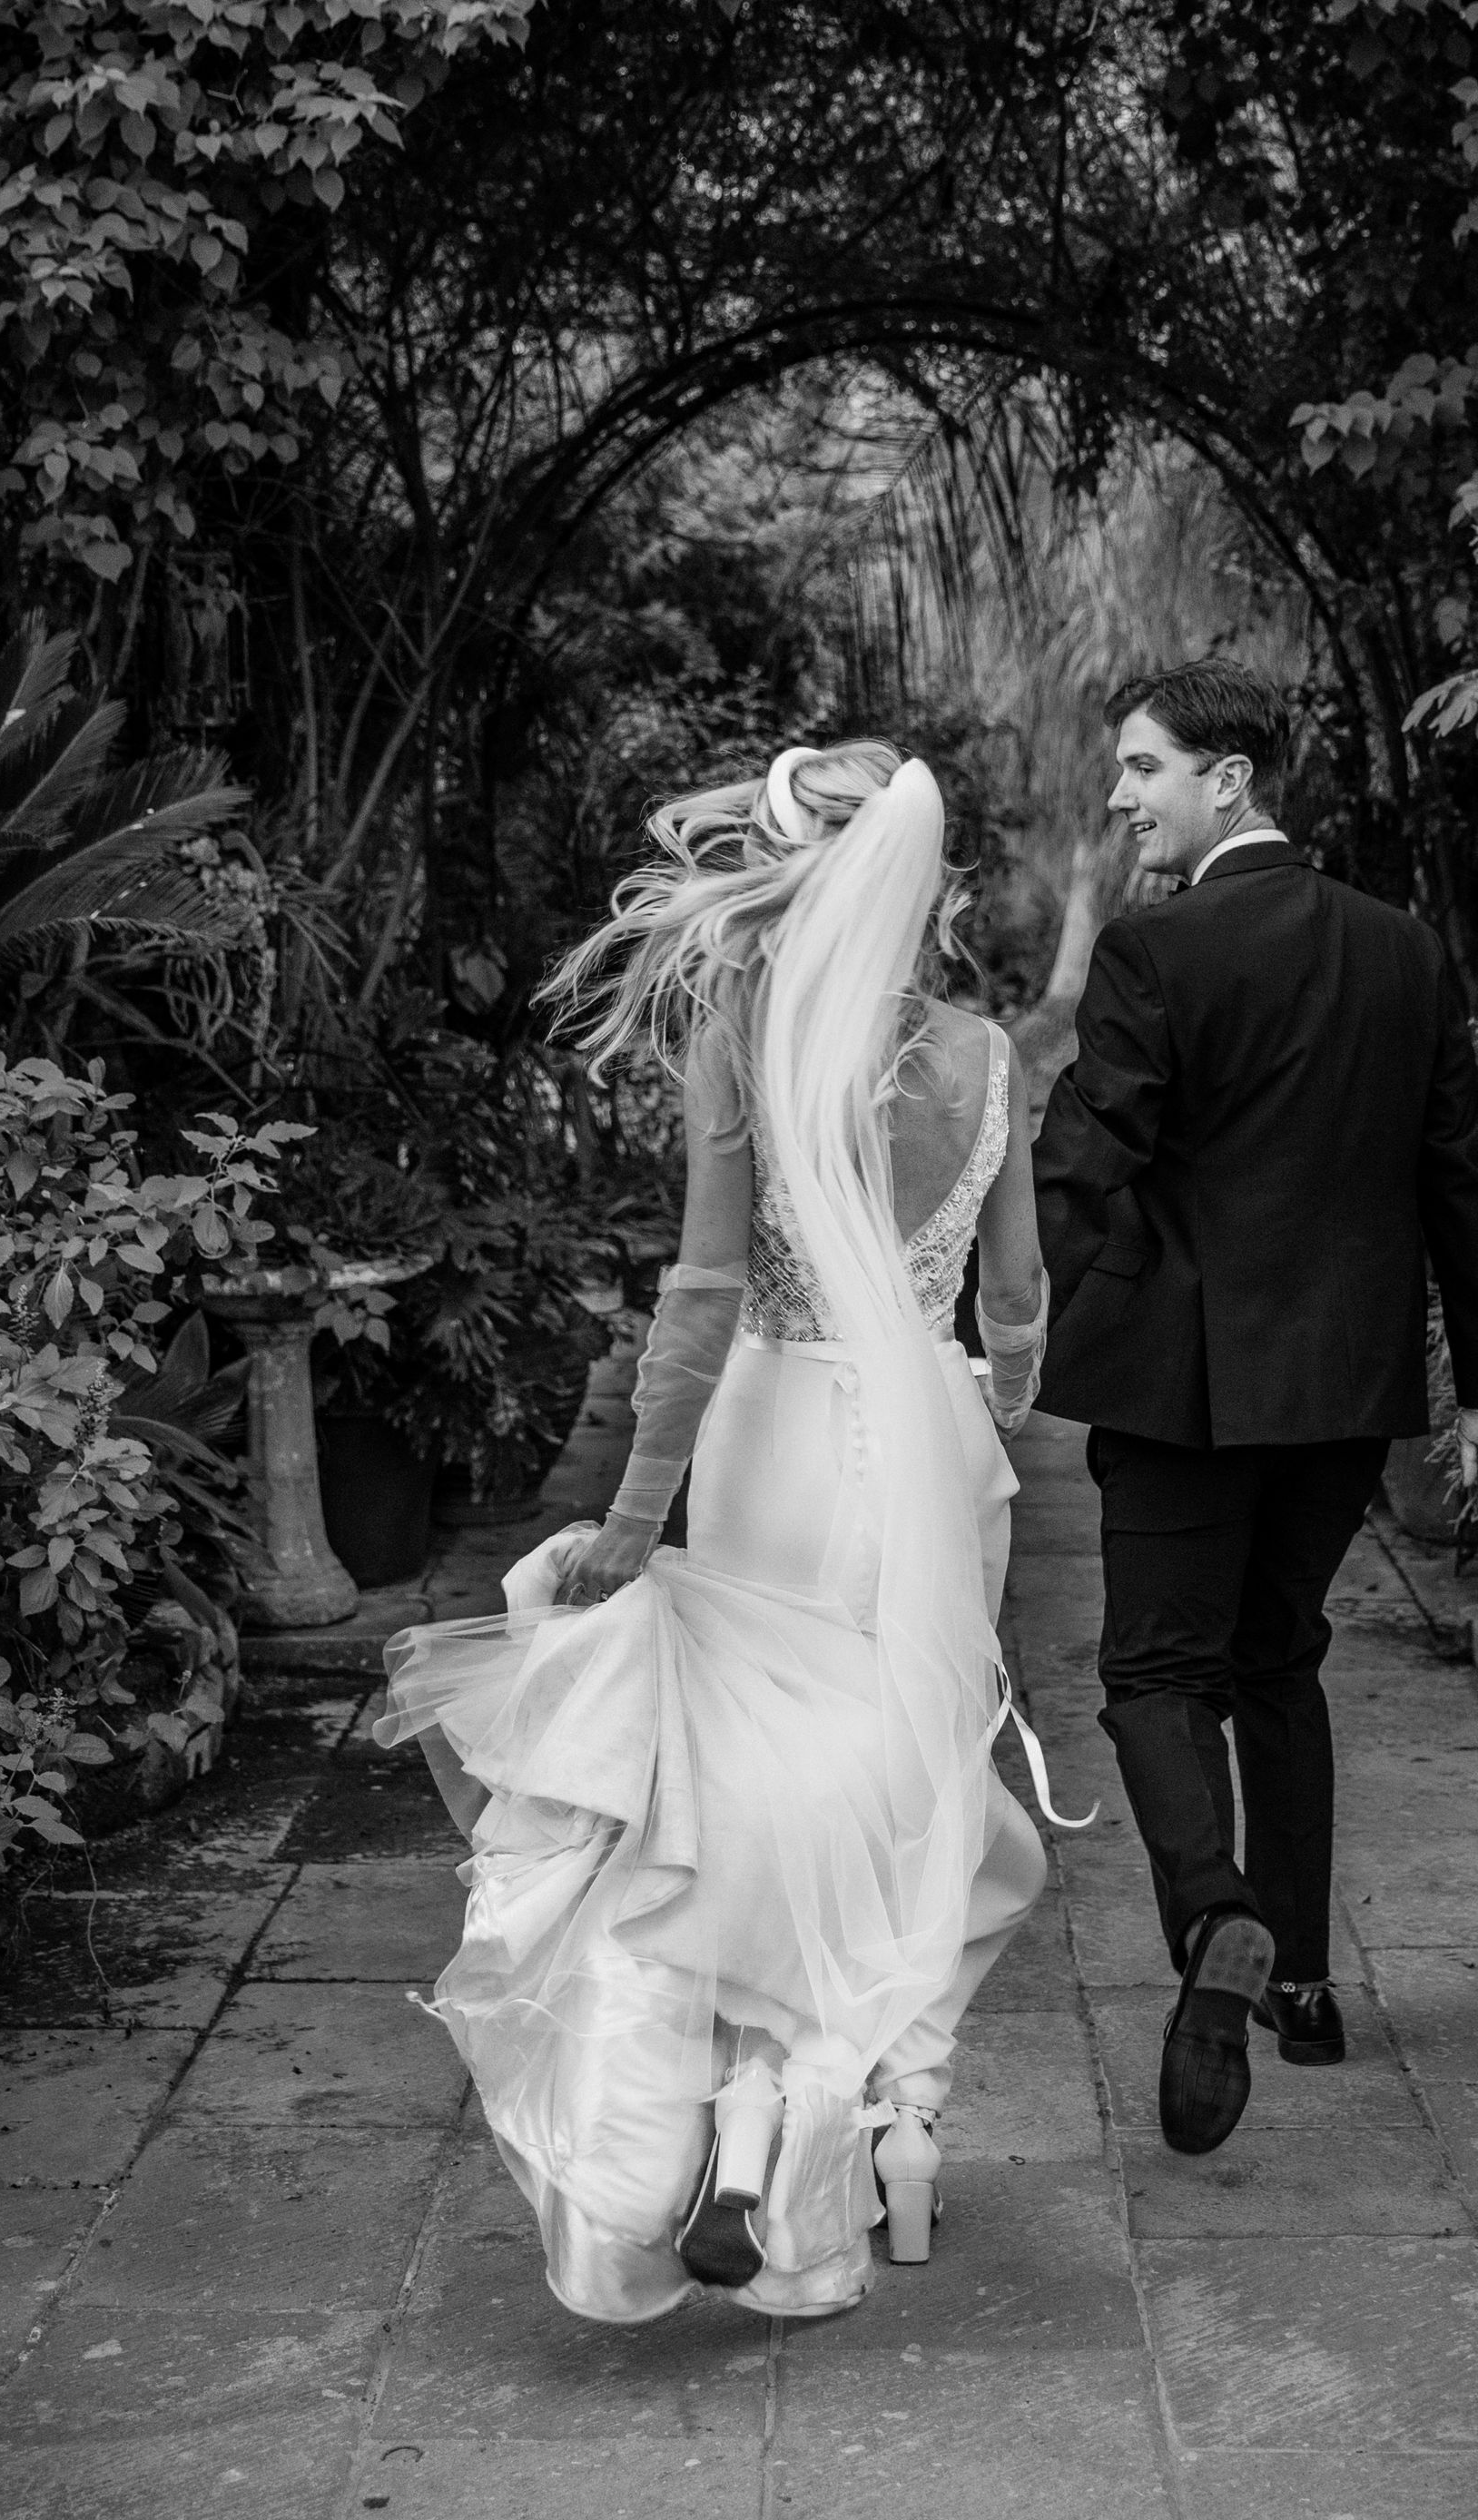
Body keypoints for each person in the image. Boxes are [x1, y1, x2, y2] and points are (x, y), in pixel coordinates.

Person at [376, 741, 1069, 2325]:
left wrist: (634, 1515)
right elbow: (1017, 1292)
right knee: (894, 1787)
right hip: (933, 1447)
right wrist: (1001, 1404)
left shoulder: (745, 1039)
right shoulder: (985, 1054)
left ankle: (729, 2129)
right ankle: (844, 2129)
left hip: (776, 1437)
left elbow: (700, 1296)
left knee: (753, 1778)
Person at [1032, 660, 1478, 2158]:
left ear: (1229, 778)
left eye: (1143, 769)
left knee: (1155, 1672)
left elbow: (1081, 1165)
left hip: (1182, 1393)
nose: (1122, 798)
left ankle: (1217, 1922)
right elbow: (1462, 1172)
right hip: (1345, 1391)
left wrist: (1010, 1318)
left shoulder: (1154, 952)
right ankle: (1304, 1988)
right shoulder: (1404, 948)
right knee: (1279, 1659)